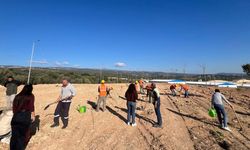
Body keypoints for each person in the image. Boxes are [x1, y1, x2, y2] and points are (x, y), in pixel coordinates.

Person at [10, 84, 35, 150]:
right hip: (25, 116)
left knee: (14, 136)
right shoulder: (31, 96)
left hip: (15, 116)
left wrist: (16, 114)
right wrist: (33, 116)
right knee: (21, 136)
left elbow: (14, 108)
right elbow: (31, 107)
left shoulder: (17, 96)